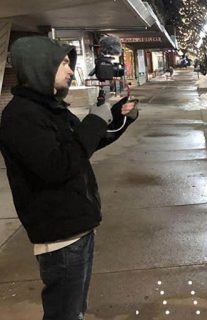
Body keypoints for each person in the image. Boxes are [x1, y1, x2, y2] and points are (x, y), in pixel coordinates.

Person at [0, 36, 139, 320]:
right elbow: (58, 166)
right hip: (59, 237)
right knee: (63, 313)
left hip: (79, 226)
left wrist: (118, 116)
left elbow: (84, 146)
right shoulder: (21, 116)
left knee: (74, 310)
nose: (70, 70)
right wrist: (96, 121)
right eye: (63, 63)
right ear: (41, 66)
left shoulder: (51, 108)